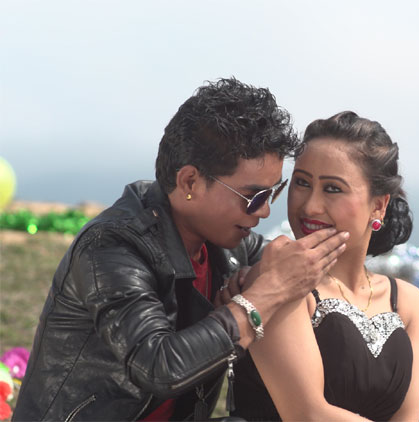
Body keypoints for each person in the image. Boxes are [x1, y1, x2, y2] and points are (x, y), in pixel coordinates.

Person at [12, 78, 350, 421]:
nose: (264, 211)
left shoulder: (225, 243)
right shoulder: (113, 246)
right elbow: (160, 367)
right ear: (190, 182)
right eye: (254, 197)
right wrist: (263, 296)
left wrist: (266, 274)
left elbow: (292, 265)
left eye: (273, 193)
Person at [222, 111, 419, 421]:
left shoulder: (407, 302)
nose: (310, 206)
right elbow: (308, 414)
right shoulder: (276, 282)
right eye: (302, 183)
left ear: (378, 205)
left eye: (333, 188)